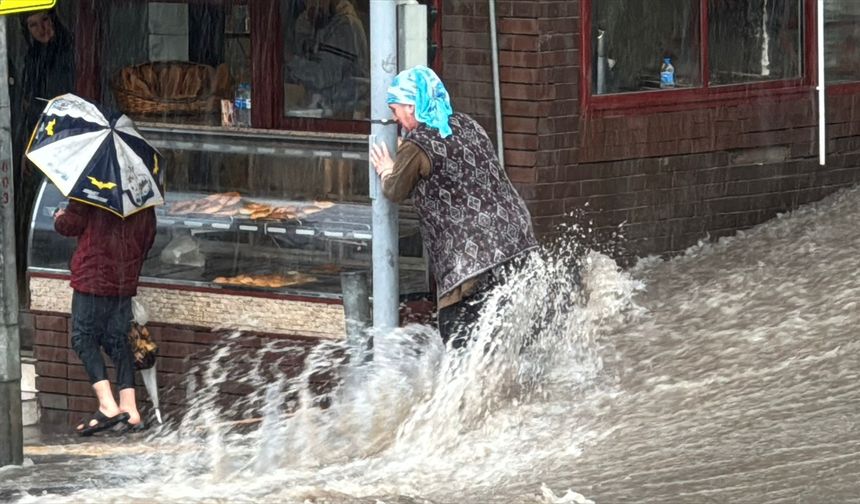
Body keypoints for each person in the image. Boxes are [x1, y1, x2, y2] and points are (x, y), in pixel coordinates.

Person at [369, 65, 539, 349]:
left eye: (396, 109)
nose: (395, 118)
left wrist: (388, 169)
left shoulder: (418, 144)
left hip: (469, 259)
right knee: (506, 330)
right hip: (514, 238)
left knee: (459, 339)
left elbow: (395, 189)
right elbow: (451, 162)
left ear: (411, 107)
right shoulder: (465, 123)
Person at [54, 202, 156, 435]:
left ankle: (107, 405)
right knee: (118, 340)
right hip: (124, 279)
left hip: (93, 276)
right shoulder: (140, 195)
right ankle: (129, 409)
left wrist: (59, 217)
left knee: (83, 338)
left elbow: (70, 225)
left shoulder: (92, 189)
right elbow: (148, 238)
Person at [15, 9, 75, 304]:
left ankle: (58, 264)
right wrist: (28, 146)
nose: (41, 29)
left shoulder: (70, 52)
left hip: (68, 138)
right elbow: (30, 106)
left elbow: (65, 103)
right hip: (40, 139)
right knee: (40, 203)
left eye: (46, 21)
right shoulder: (33, 57)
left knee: (62, 201)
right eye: (33, 25)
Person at [285, 0, 369, 118]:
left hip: (344, 114)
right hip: (320, 109)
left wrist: (290, 60)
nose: (310, 6)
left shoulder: (345, 26)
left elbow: (323, 76)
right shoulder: (315, 22)